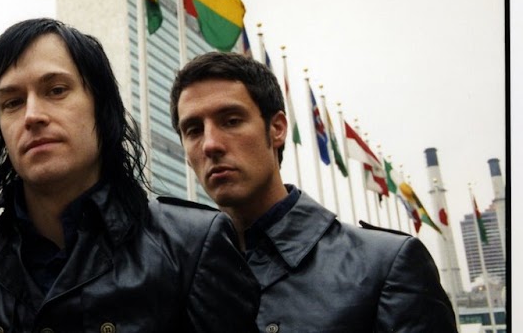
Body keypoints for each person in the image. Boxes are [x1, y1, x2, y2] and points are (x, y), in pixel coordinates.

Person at [0, 18, 259, 332]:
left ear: (101, 107)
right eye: (12, 103)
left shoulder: (191, 246)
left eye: (56, 90)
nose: (32, 115)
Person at [169, 51, 458, 332]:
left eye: (231, 121)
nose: (210, 144)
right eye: (193, 130)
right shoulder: (175, 276)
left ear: (277, 128)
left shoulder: (384, 265)